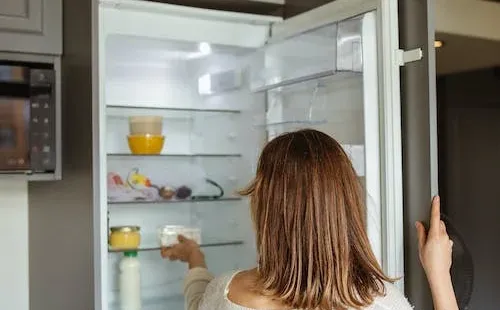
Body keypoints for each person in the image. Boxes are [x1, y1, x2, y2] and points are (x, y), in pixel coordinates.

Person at [161, 129, 458, 310]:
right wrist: (439, 273)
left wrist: (195, 259)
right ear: (345, 207)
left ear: (266, 210)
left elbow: (198, 302)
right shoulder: (379, 302)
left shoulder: (227, 293)